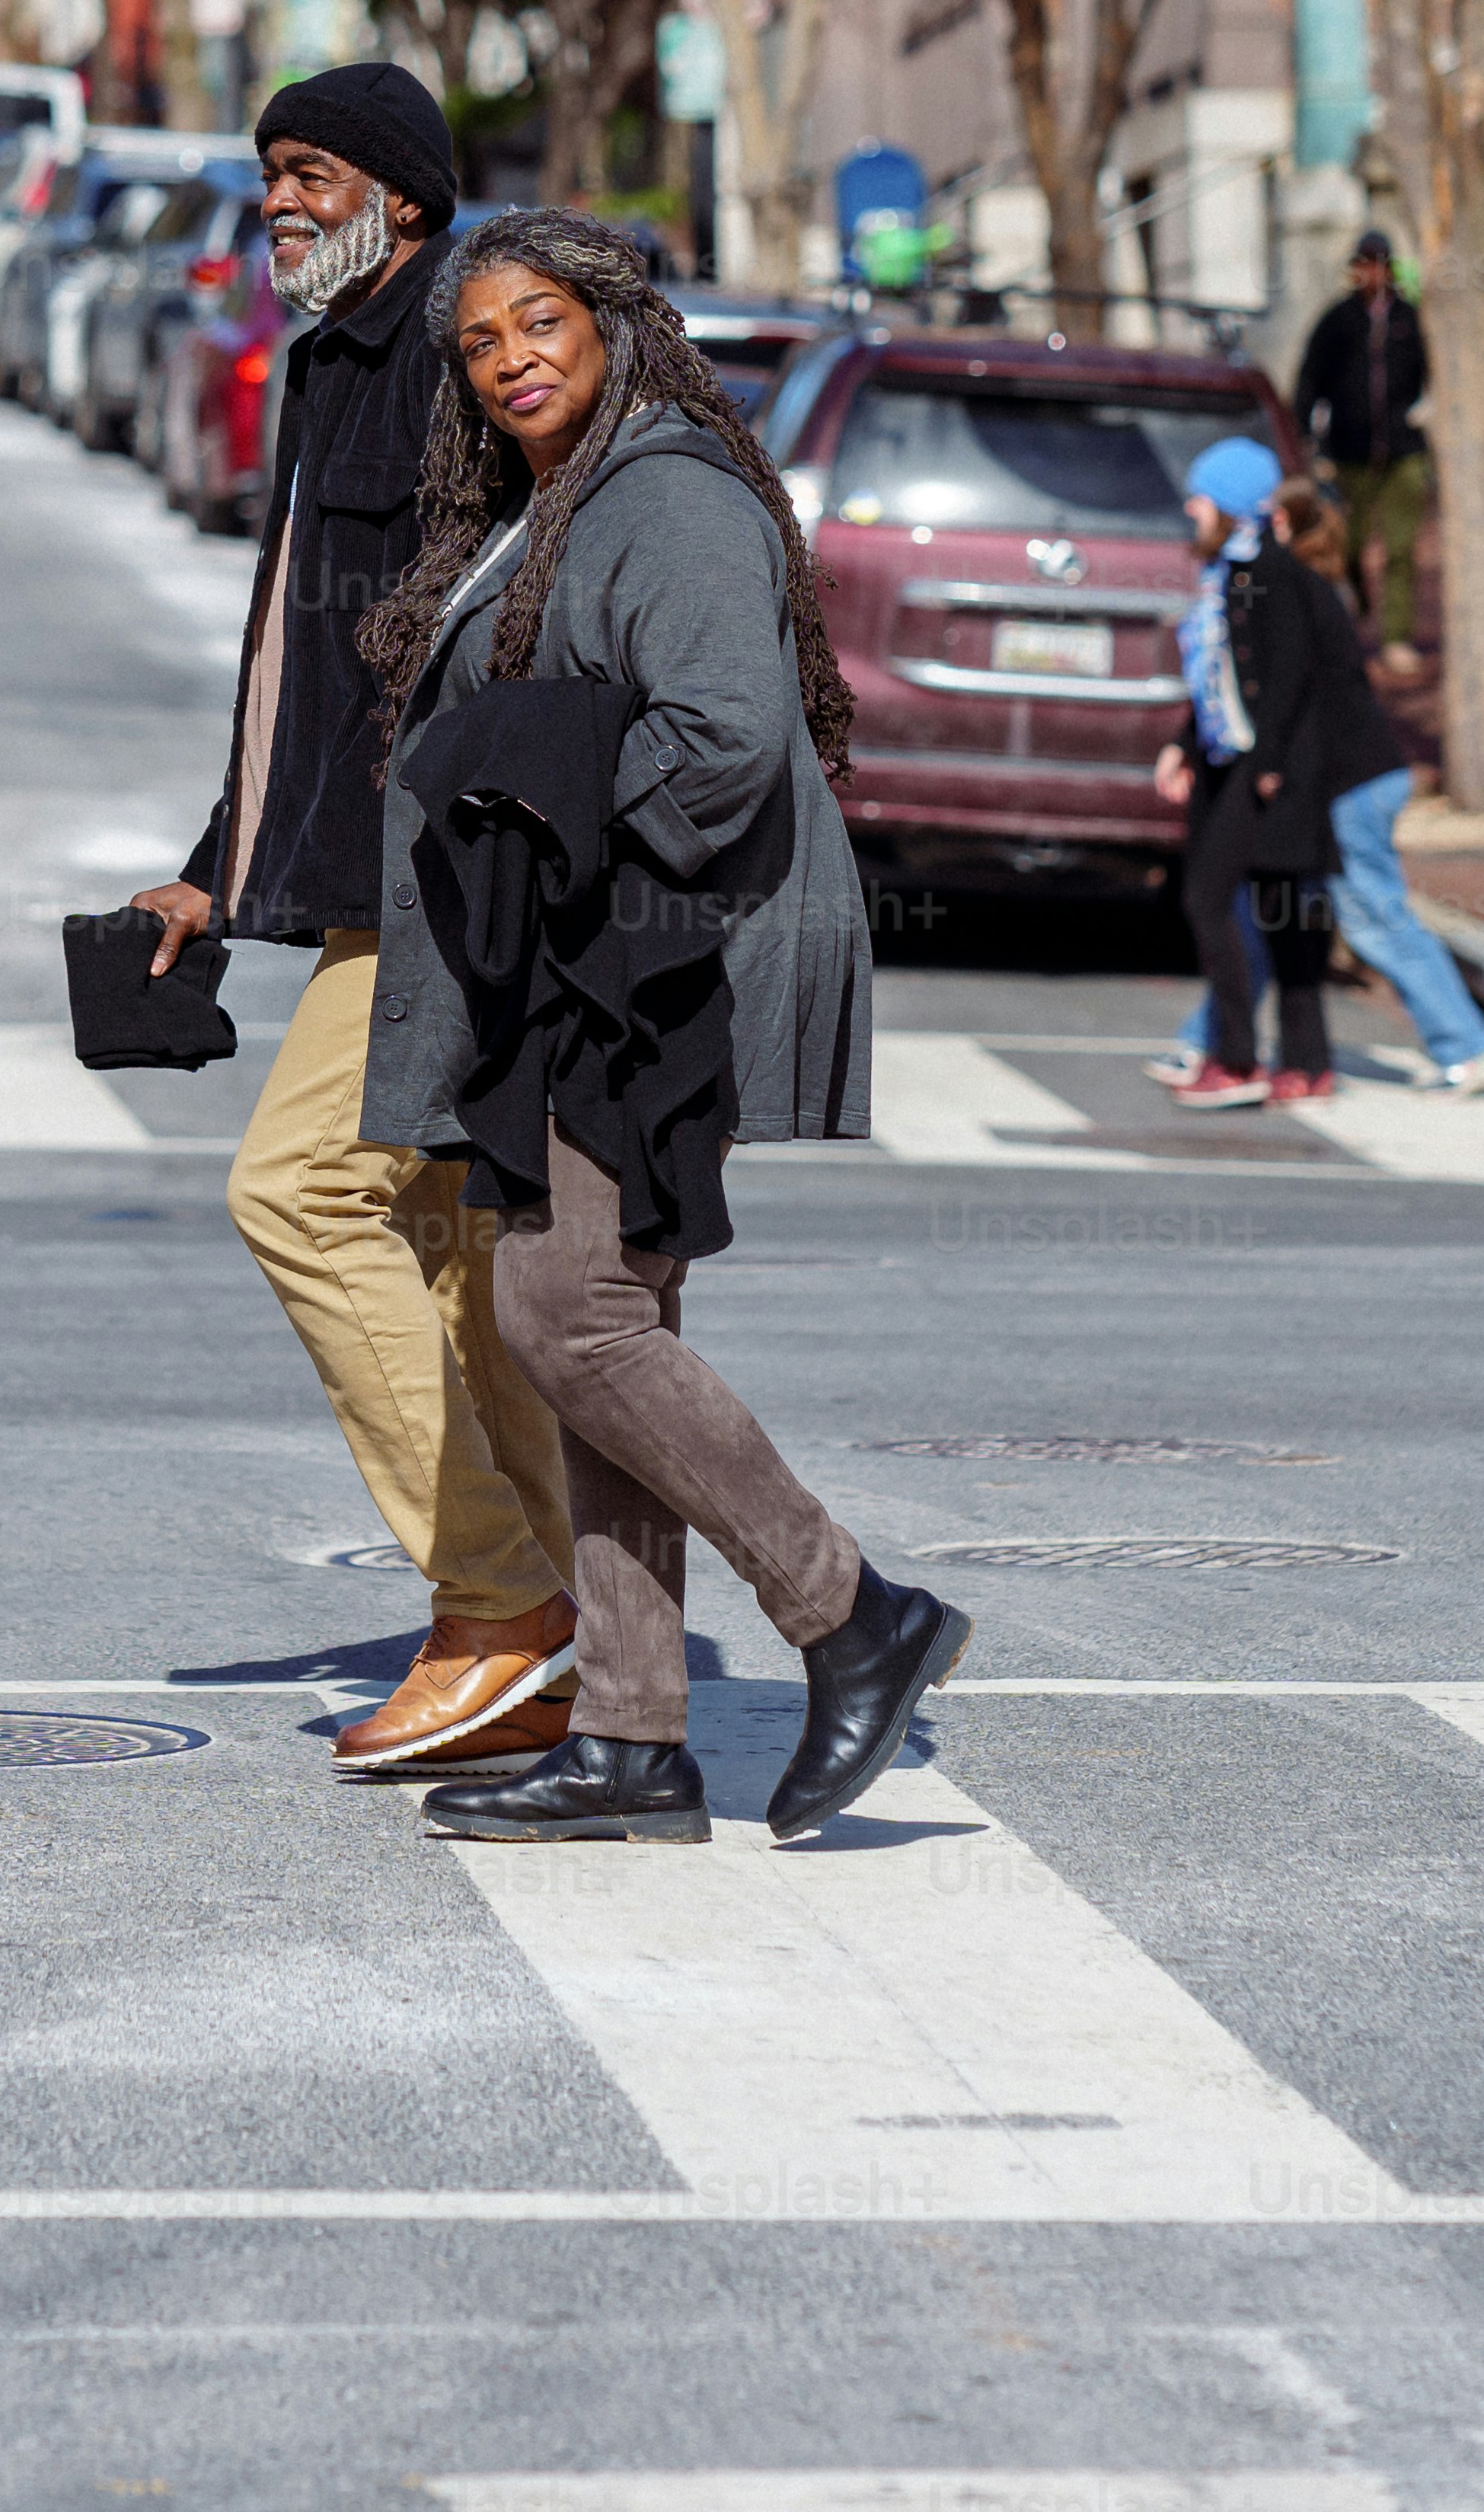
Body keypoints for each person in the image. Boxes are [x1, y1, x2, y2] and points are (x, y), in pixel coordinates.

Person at [353, 206, 966, 1848]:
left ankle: (851, 1612)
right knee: (598, 1326)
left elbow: (724, 745)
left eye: (538, 321)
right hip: (590, 958)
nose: (510, 360)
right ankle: (631, 1734)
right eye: (481, 345)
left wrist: (520, 799)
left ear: (615, 318)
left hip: (654, 961)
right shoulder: (563, 498)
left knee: (570, 1313)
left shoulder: (674, 494)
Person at [123, 62, 587, 1781]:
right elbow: (310, 675)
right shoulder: (331, 363)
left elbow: (515, 621)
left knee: (299, 1192)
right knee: (463, 1263)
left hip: (456, 875)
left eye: (310, 172)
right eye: (266, 175)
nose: (279, 203)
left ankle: (495, 1603)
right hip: (369, 873)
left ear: (401, 192)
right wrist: (216, 864)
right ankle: (549, 1643)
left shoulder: (460, 354)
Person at [1272, 481, 1484, 1093]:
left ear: (1279, 523)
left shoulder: (1299, 593)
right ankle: (1210, 1040)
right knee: (1282, 912)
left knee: (1373, 915)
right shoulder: (1321, 587)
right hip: (1358, 776)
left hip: (1352, 782)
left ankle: (1467, 1043)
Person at [1146, 436, 1349, 1109]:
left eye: (1201, 496)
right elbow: (1220, 680)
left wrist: (1265, 767)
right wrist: (1183, 744)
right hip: (1224, 757)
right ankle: (1305, 1063)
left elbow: (1289, 679)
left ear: (1230, 504)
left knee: (1211, 898)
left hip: (1265, 768)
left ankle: (1236, 1060)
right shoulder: (1228, 573)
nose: (1189, 506)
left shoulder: (1266, 573)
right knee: (1277, 910)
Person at [1288, 230, 1436, 646]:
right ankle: (1358, 608)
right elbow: (1309, 380)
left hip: (1404, 453)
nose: (1370, 272)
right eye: (1363, 264)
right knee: (1347, 544)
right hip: (1349, 452)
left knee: (1401, 551)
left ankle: (1396, 637)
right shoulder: (1337, 321)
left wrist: (1428, 413)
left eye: (1378, 264)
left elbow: (1434, 378)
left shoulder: (1410, 319)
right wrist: (1302, 437)